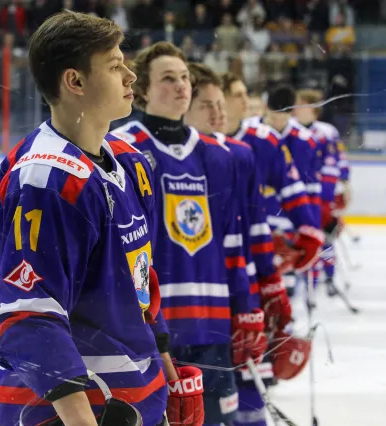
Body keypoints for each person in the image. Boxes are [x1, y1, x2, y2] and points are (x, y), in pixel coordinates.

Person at [0, 11, 191, 426]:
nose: (130, 77)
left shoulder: (132, 164)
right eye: (116, 66)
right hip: (80, 412)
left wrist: (166, 370)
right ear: (75, 82)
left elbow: (140, 282)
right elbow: (29, 317)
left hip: (137, 401)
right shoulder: (45, 180)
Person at [111, 41, 266, 426]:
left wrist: (246, 307)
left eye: (184, 78)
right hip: (150, 330)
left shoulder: (219, 155)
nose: (181, 86)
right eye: (168, 79)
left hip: (211, 323)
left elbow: (232, 243)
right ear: (143, 89)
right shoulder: (120, 150)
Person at [184, 63, 287, 426]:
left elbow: (247, 232)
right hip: (198, 309)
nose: (225, 110)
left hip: (231, 293)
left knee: (242, 385)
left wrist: (262, 290)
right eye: (234, 96)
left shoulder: (239, 153)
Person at [239, 83, 324, 277]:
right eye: (273, 117)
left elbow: (308, 188)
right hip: (255, 218)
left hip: (287, 221)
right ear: (267, 110)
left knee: (285, 280)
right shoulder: (248, 133)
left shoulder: (305, 141)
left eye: (282, 118)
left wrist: (312, 226)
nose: (277, 123)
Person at [293, 89, 344, 296]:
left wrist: (328, 197)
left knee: (325, 240)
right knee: (306, 240)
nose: (295, 108)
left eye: (300, 104)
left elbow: (334, 164)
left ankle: (329, 276)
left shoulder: (326, 132)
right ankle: (306, 280)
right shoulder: (290, 130)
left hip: (319, 199)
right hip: (297, 198)